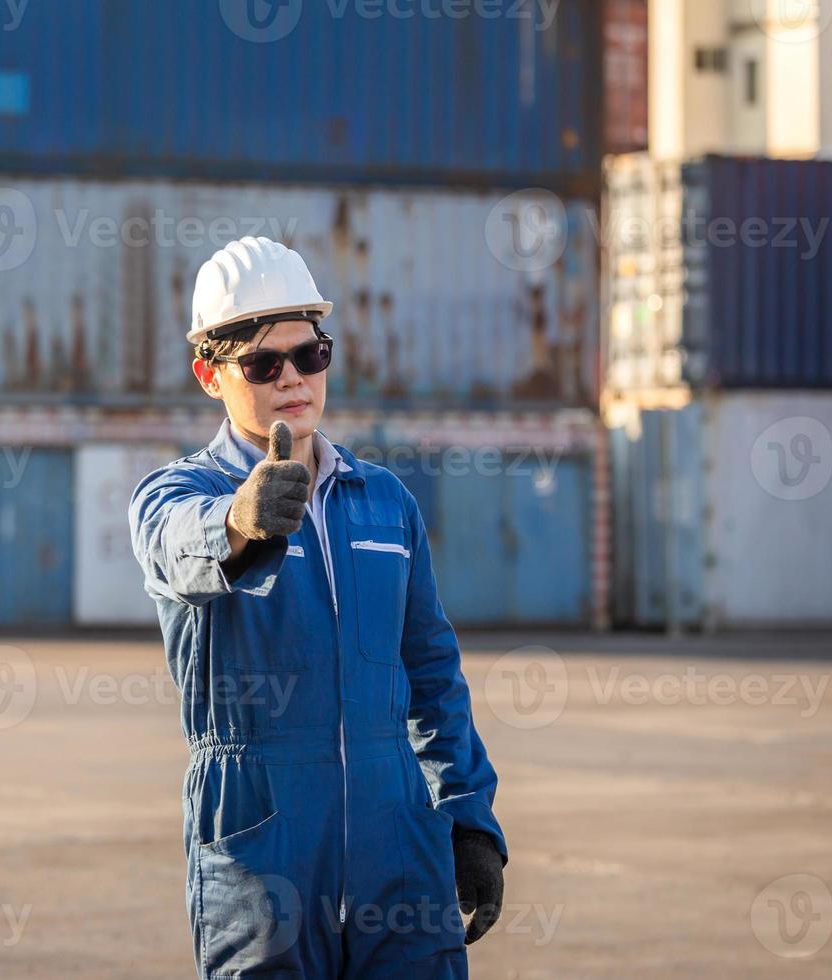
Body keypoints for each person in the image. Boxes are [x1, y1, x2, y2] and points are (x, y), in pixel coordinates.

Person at [128, 237, 506, 978]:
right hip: (262, 849)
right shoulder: (175, 496)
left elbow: (432, 677)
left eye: (310, 354)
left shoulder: (384, 505)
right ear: (210, 374)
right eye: (264, 364)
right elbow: (181, 545)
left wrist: (466, 818)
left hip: (398, 847)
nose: (293, 379)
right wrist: (243, 520)